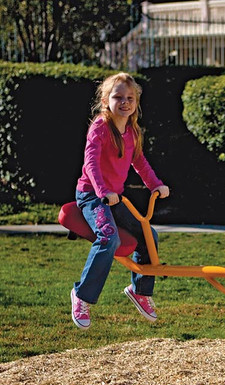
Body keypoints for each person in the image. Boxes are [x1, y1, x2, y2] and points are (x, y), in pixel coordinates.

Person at [70, 72, 169, 329]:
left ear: (136, 102)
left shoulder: (132, 131)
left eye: (129, 98)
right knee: (109, 238)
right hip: (93, 195)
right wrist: (102, 190)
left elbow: (140, 162)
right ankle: (82, 296)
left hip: (114, 197)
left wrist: (155, 184)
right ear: (106, 100)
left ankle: (140, 291)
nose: (124, 102)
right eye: (118, 97)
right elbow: (90, 162)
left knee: (149, 237)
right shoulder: (101, 128)